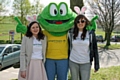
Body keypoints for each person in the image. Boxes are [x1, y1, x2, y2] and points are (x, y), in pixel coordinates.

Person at [69, 14, 99, 80]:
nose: (80, 23)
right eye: (78, 21)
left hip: (86, 62)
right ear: (75, 23)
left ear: (86, 22)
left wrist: (96, 65)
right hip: (73, 61)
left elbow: (95, 49)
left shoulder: (90, 33)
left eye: (82, 21)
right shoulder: (71, 33)